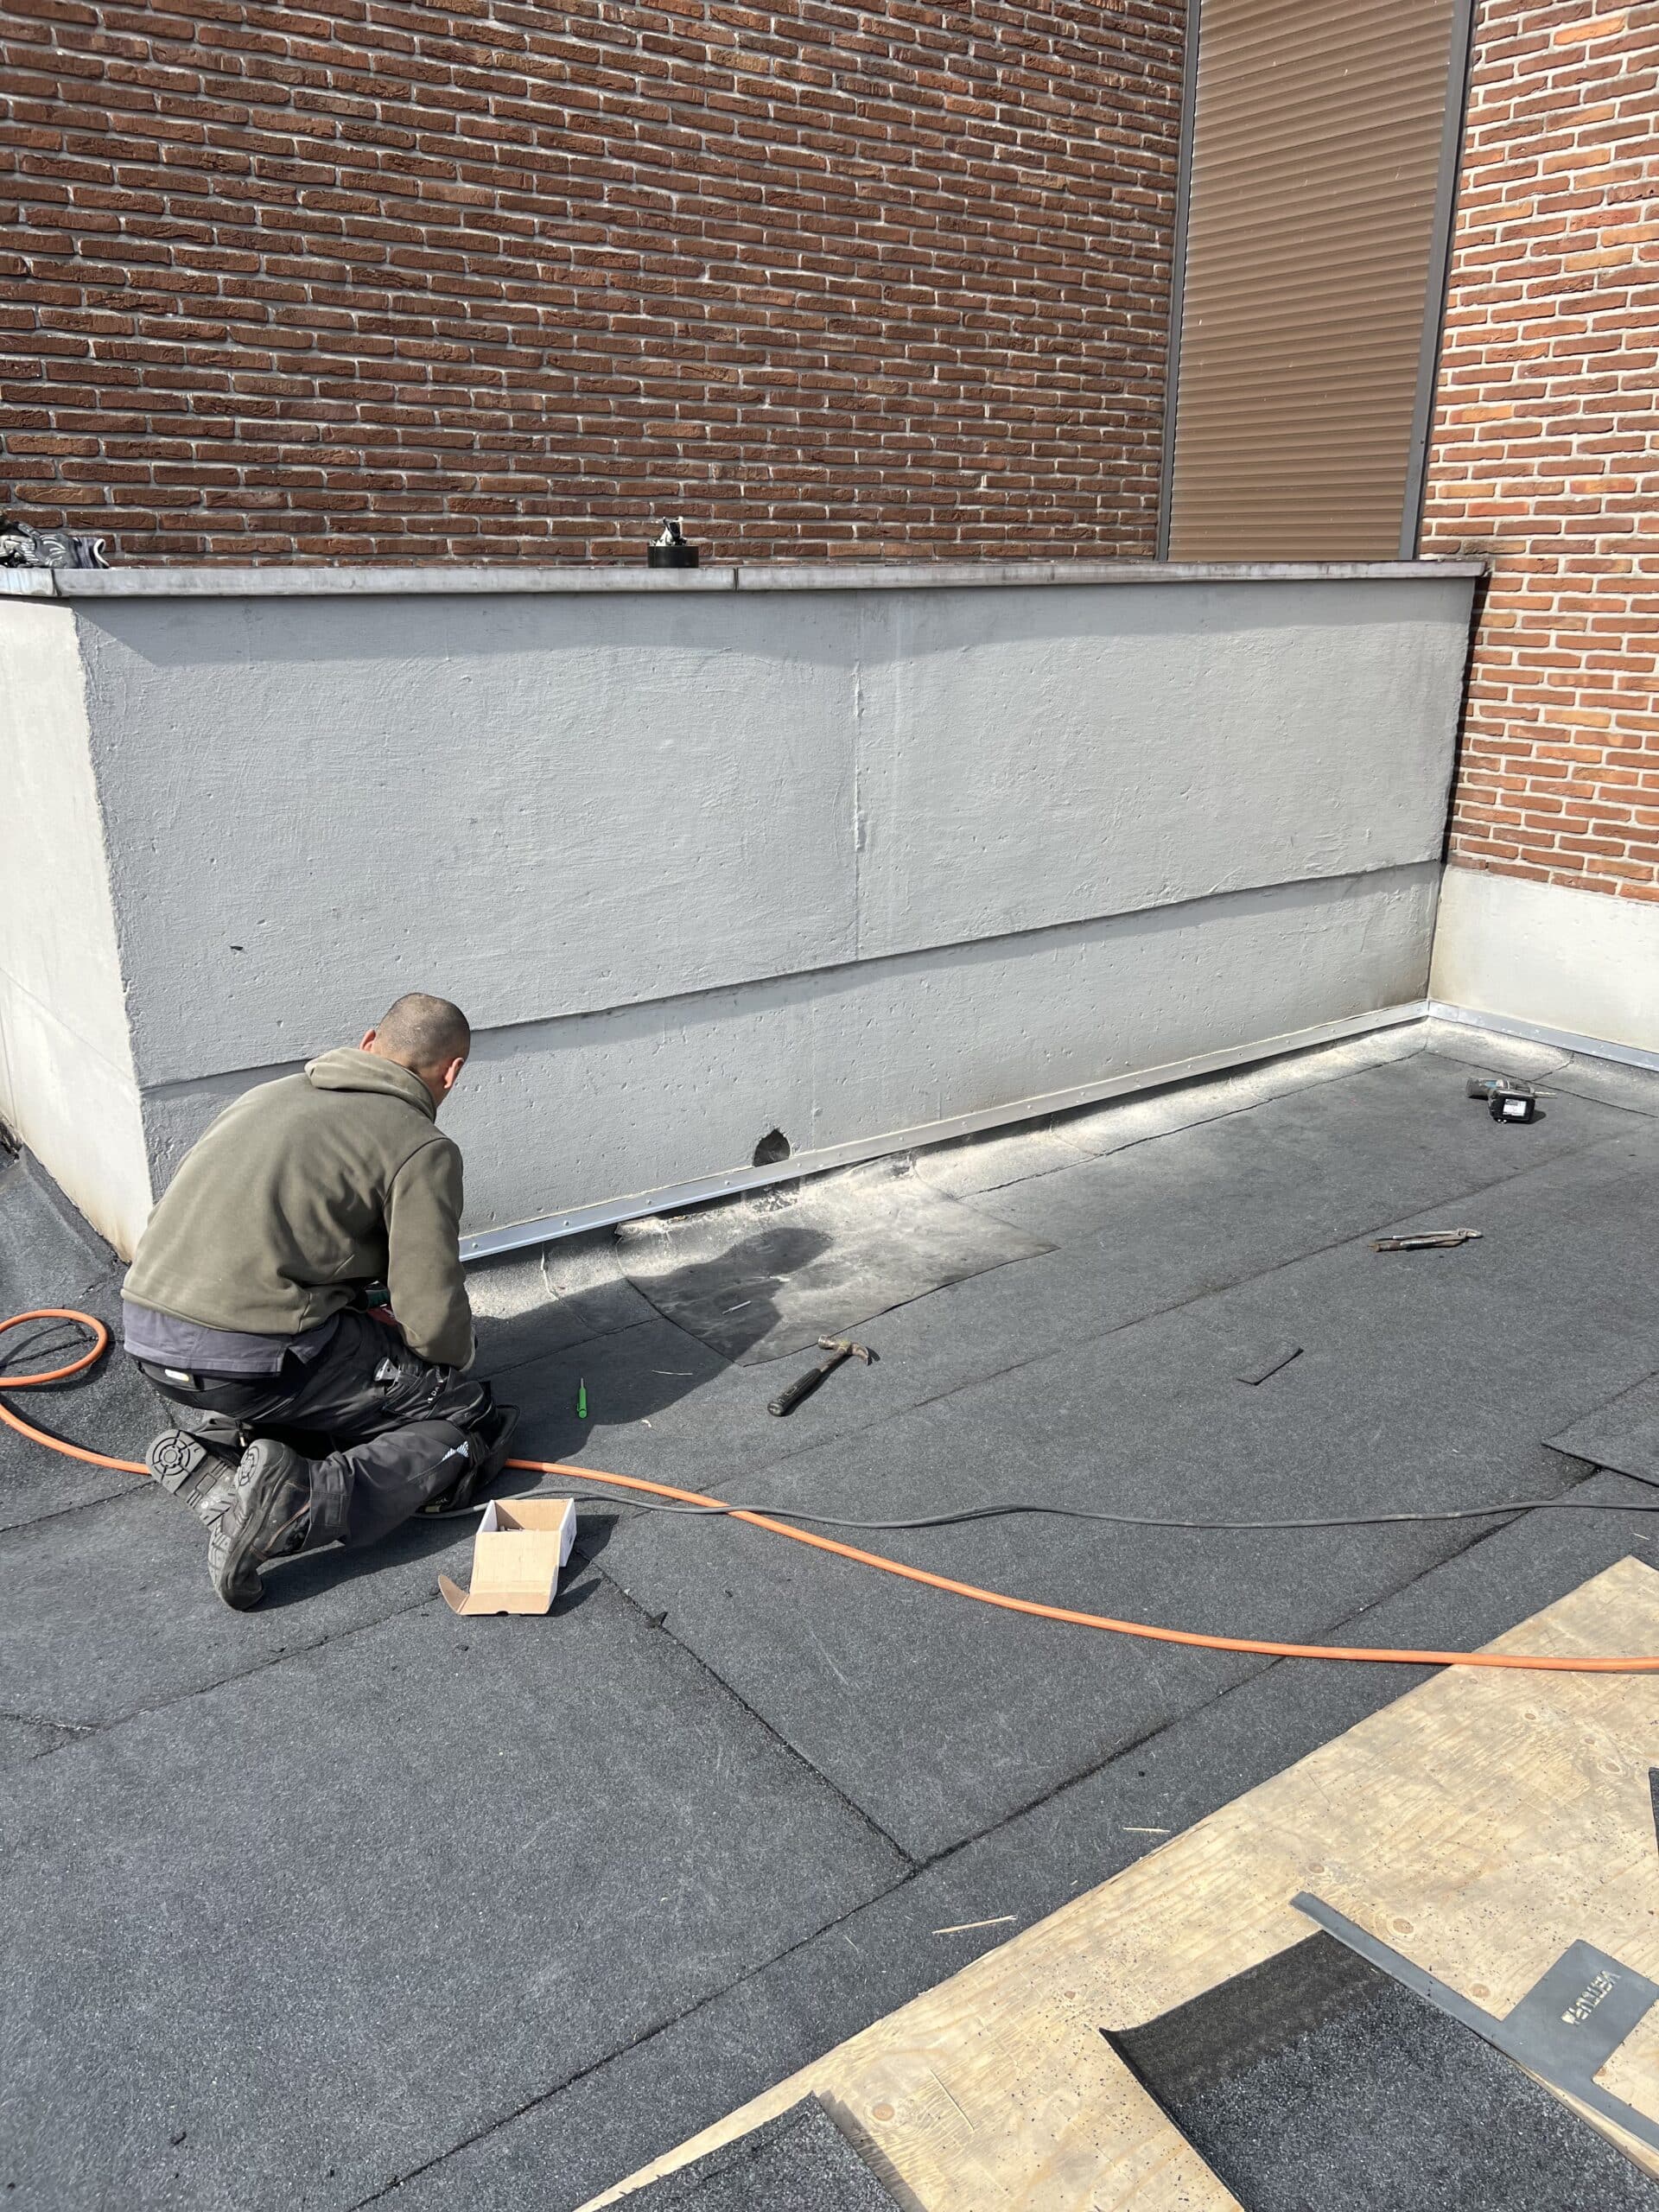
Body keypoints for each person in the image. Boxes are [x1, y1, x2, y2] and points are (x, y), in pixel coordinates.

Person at [123, 993, 516, 1611]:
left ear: (368, 1043)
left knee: (336, 1364)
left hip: (150, 1337)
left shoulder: (266, 1097)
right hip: (252, 1353)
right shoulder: (419, 1145)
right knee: (465, 1415)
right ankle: (300, 1499)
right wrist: (445, 1365)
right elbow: (429, 1299)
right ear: (452, 1071)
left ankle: (226, 1452)